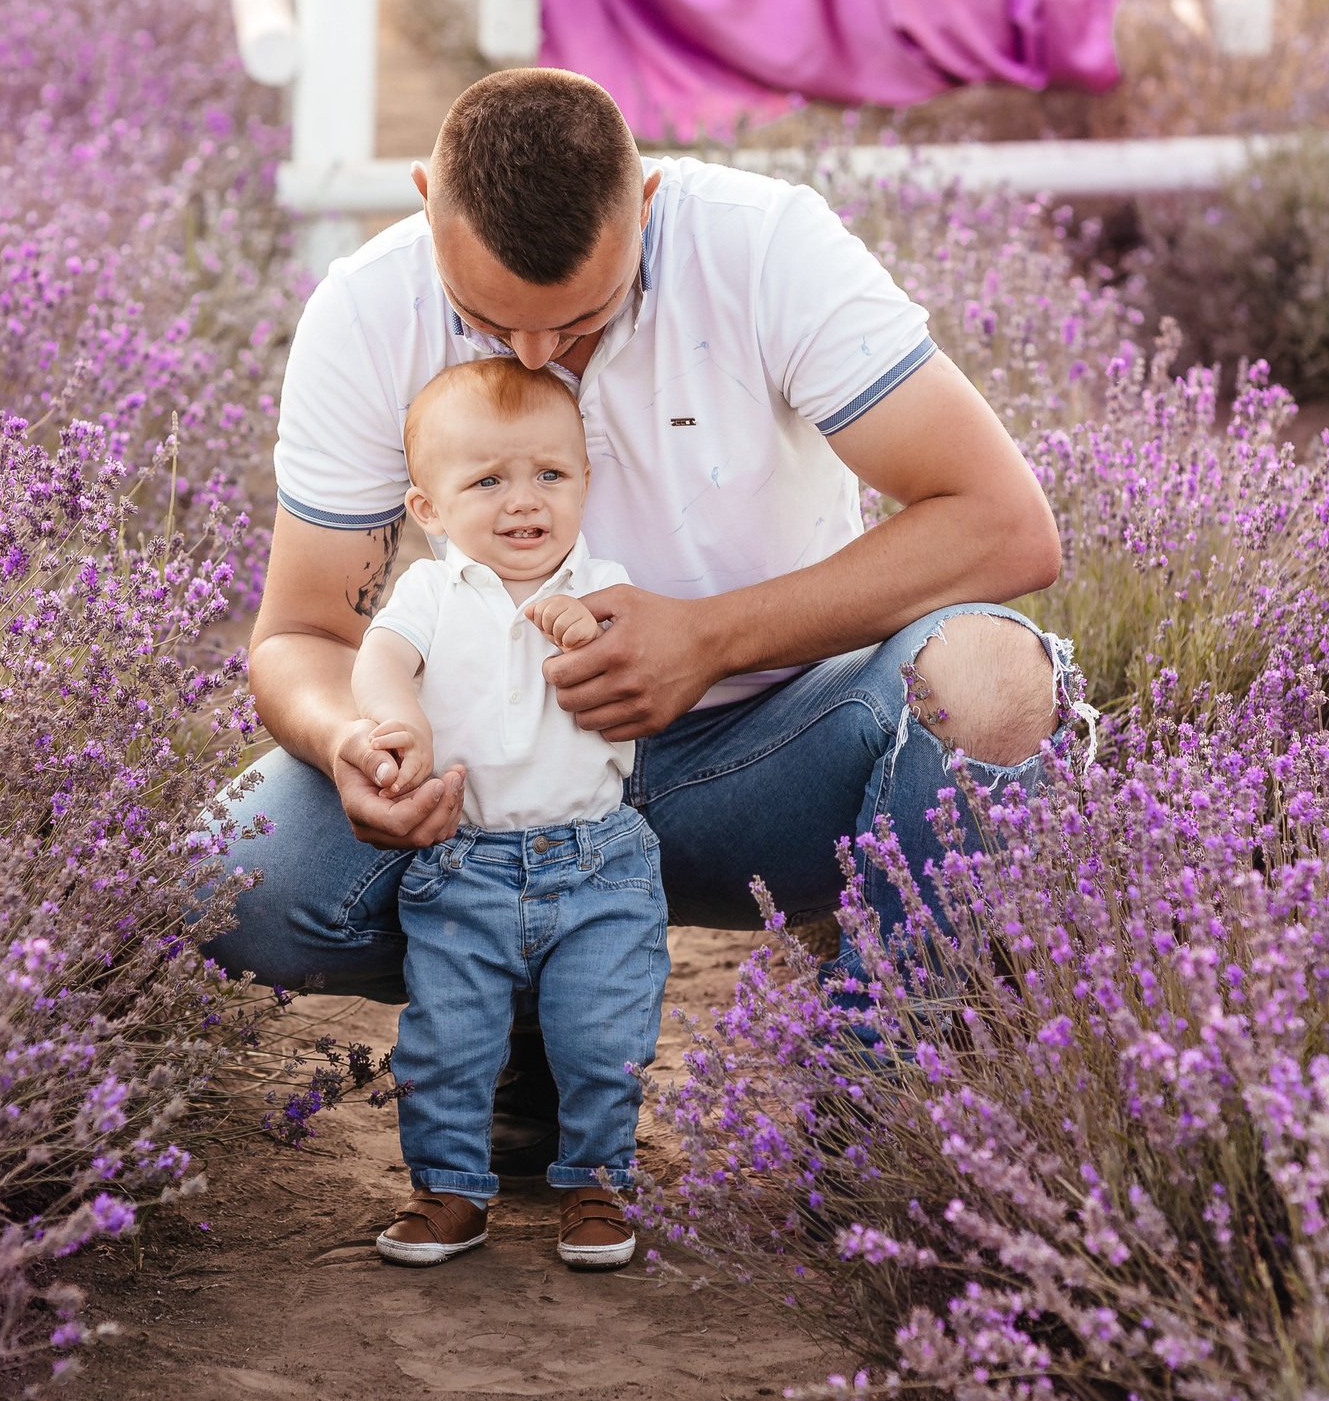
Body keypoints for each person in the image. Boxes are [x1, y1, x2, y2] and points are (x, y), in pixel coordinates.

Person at [208, 68, 1087, 1167]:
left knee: (994, 676)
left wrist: (708, 637)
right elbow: (300, 636)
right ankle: (525, 998)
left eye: (579, 316)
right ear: (426, 199)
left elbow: (1007, 526)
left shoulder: (765, 246)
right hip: (487, 794)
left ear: (649, 201)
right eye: (486, 320)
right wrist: (349, 738)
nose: (535, 358)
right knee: (228, 882)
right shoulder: (364, 305)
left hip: (763, 751)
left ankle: (877, 1111)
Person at [353, 356, 664, 1270]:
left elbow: (629, 647)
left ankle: (595, 1182)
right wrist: (397, 715)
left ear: (585, 483)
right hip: (467, 859)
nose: (523, 500)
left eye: (549, 475)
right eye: (487, 480)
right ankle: (449, 1189)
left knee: (603, 1034)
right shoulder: (430, 591)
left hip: (598, 860)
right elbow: (379, 660)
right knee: (448, 1039)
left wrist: (585, 628)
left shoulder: (602, 580)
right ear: (429, 510)